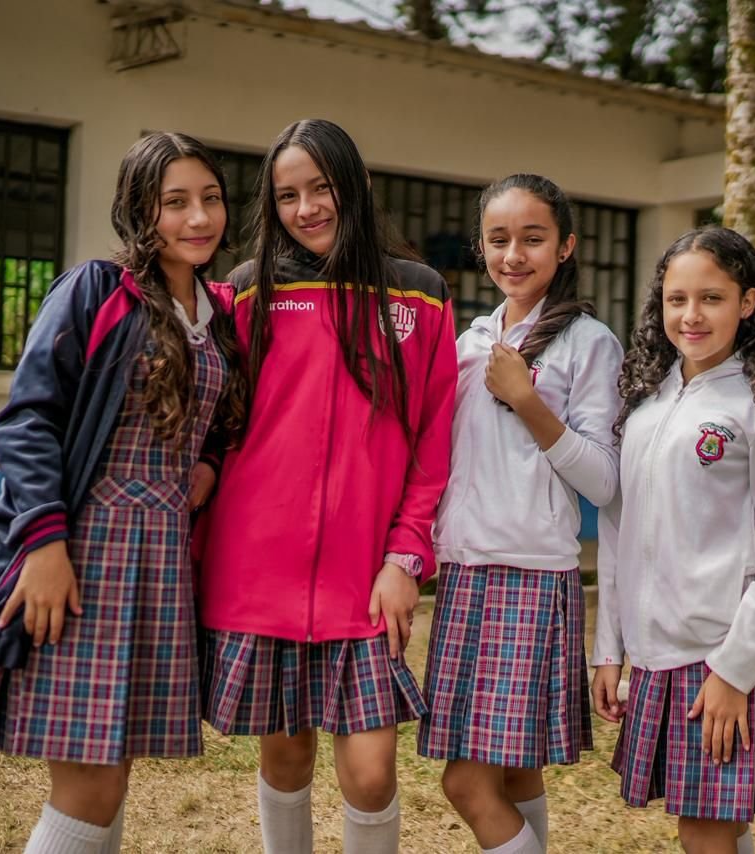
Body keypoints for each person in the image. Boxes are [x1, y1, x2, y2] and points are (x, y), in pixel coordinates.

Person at [0, 131, 246, 854]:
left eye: (209, 198)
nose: (198, 217)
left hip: (161, 563)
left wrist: (205, 470)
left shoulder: (219, 316)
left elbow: (220, 422)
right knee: (89, 783)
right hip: (86, 556)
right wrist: (45, 545)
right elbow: (29, 419)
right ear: (139, 212)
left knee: (112, 771)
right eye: (174, 202)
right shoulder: (97, 290)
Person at [195, 118, 458, 854]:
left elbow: (433, 442)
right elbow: (216, 422)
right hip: (258, 575)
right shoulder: (242, 296)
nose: (306, 207)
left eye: (322, 188)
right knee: (284, 755)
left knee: (371, 774)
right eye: (287, 195)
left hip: (364, 578)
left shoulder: (423, 297)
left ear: (359, 186)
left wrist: (406, 558)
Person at [592, 226, 755, 854]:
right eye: (676, 299)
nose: (690, 315)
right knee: (715, 824)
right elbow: (618, 530)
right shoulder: (644, 406)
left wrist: (734, 672)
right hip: (656, 653)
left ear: (747, 303)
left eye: (711, 298)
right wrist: (610, 648)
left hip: (723, 652)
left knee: (705, 829)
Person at [419, 173, 622, 854]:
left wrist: (531, 402)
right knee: (514, 767)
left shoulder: (590, 343)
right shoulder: (469, 342)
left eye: (532, 238)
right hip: (466, 574)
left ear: (564, 247)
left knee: (465, 783)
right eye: (498, 239)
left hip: (529, 578)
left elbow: (603, 478)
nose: (514, 254)